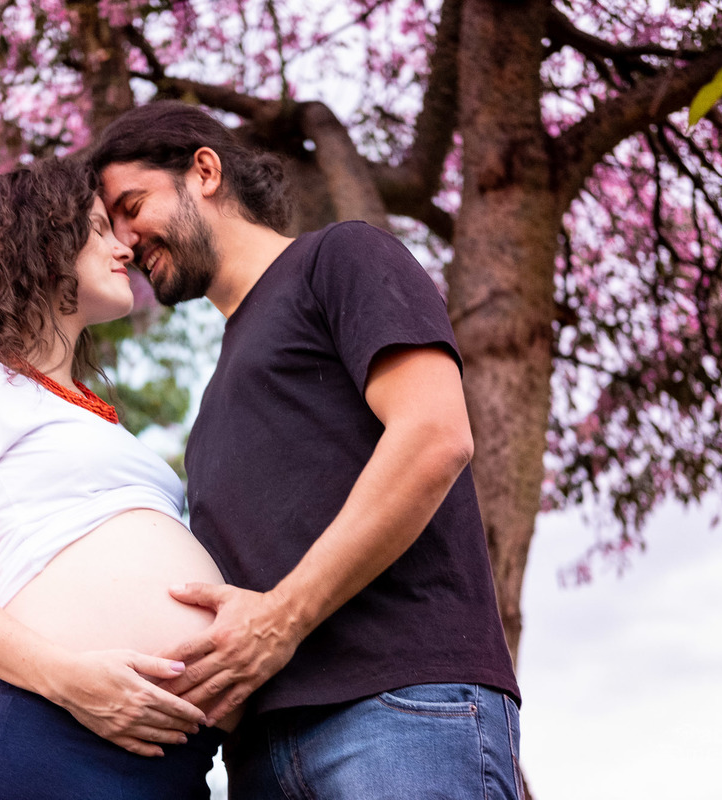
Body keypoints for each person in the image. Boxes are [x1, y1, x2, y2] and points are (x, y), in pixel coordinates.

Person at [91, 101, 524, 800]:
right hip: (262, 759)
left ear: (204, 170)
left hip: (399, 711)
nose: (125, 240)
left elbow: (435, 435)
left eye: (132, 205)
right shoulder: (210, 413)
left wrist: (281, 618)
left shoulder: (342, 257)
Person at [0, 157, 233, 799]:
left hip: (172, 771)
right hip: (51, 744)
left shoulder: (99, 420)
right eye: (99, 228)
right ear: (42, 243)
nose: (124, 244)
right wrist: (69, 679)